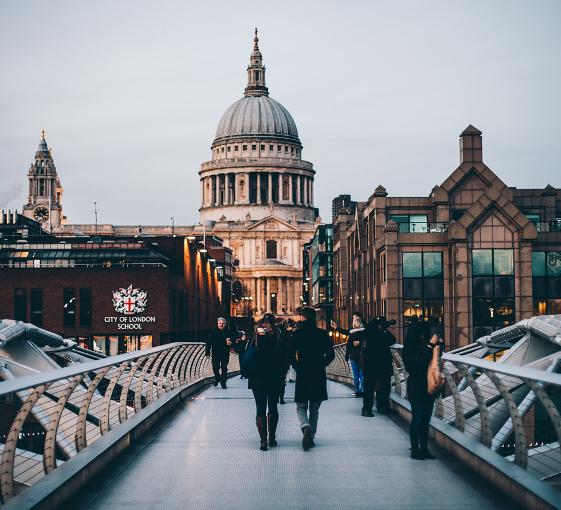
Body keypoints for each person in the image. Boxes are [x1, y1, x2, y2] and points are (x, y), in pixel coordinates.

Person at [291, 306, 335, 451]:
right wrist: (322, 363)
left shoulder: (297, 334)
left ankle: (305, 426)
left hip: (303, 373)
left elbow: (289, 353)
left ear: (303, 318)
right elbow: (331, 354)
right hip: (318, 373)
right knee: (314, 408)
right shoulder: (322, 334)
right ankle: (311, 436)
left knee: (301, 405)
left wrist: (297, 366)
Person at [402, 320, 441, 460]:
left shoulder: (425, 345)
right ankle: (415, 449)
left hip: (428, 387)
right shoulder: (408, 348)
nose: (423, 335)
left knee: (425, 420)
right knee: (417, 418)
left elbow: (434, 361)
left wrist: (437, 345)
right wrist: (430, 345)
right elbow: (417, 362)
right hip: (416, 387)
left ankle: (424, 449)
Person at [248, 313, 286, 451]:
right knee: (273, 407)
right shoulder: (278, 336)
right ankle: (272, 438)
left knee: (260, 408)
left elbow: (246, 353)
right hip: (274, 378)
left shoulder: (255, 336)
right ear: (274, 323)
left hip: (257, 378)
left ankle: (263, 441)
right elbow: (285, 357)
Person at [361, 316, 396, 417]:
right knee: (373, 387)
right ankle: (371, 408)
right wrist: (382, 330)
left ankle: (378, 407)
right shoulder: (371, 332)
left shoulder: (377, 332)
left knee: (381, 386)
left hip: (378, 365)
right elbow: (391, 340)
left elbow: (392, 340)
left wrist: (384, 330)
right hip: (375, 364)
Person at [330, 313, 366, 397]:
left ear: (360, 320)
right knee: (357, 376)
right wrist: (336, 327)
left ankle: (361, 391)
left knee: (361, 375)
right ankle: (359, 391)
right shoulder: (352, 330)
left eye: (357, 319)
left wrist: (359, 342)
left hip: (362, 356)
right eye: (354, 319)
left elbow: (366, 341)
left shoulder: (364, 331)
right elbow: (347, 337)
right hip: (354, 356)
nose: (355, 321)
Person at [205, 317, 233, 389]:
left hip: (225, 353)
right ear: (217, 324)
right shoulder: (213, 332)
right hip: (215, 353)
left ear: (225, 324)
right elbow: (208, 343)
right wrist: (207, 353)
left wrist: (231, 343)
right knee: (215, 368)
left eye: (223, 323)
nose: (221, 325)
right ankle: (217, 378)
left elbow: (233, 341)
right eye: (220, 323)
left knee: (224, 368)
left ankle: (223, 382)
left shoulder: (229, 332)